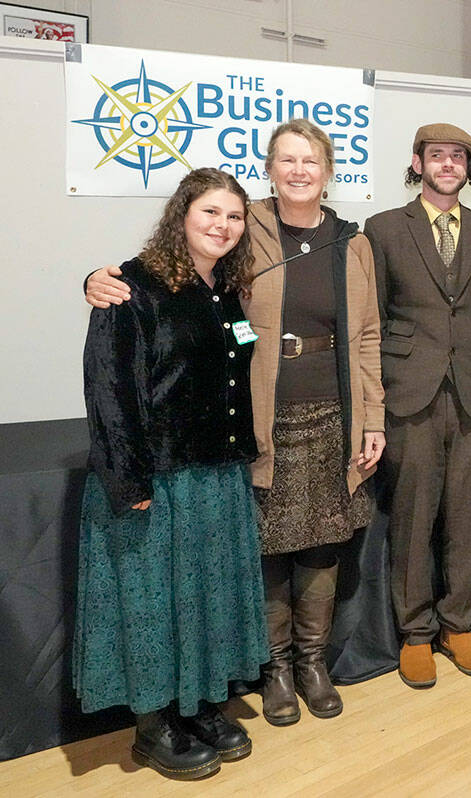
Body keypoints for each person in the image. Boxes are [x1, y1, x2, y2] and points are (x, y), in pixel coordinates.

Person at [85, 118, 386, 727]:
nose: (300, 171)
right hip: (259, 420)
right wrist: (96, 279)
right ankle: (271, 668)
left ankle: (312, 662)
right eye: (287, 160)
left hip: (335, 412)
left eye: (312, 161)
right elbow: (165, 276)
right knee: (266, 548)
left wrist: (374, 414)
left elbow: (370, 334)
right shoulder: (248, 228)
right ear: (269, 170)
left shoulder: (352, 240)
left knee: (325, 544)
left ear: (330, 171)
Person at [76, 167, 265, 780]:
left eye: (234, 217)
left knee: (205, 597)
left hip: (216, 473)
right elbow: (109, 389)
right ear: (182, 214)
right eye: (211, 212)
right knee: (153, 603)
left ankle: (199, 703)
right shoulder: (132, 287)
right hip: (157, 479)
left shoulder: (226, 288)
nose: (223, 226)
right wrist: (128, 481)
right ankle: (154, 726)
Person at [364, 124, 471, 689]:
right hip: (410, 389)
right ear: (418, 162)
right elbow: (372, 316)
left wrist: (465, 352)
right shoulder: (382, 229)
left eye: (458, 158)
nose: (447, 165)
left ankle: (459, 624)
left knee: (467, 513)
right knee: (414, 513)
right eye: (436, 156)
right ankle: (416, 632)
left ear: (468, 168)